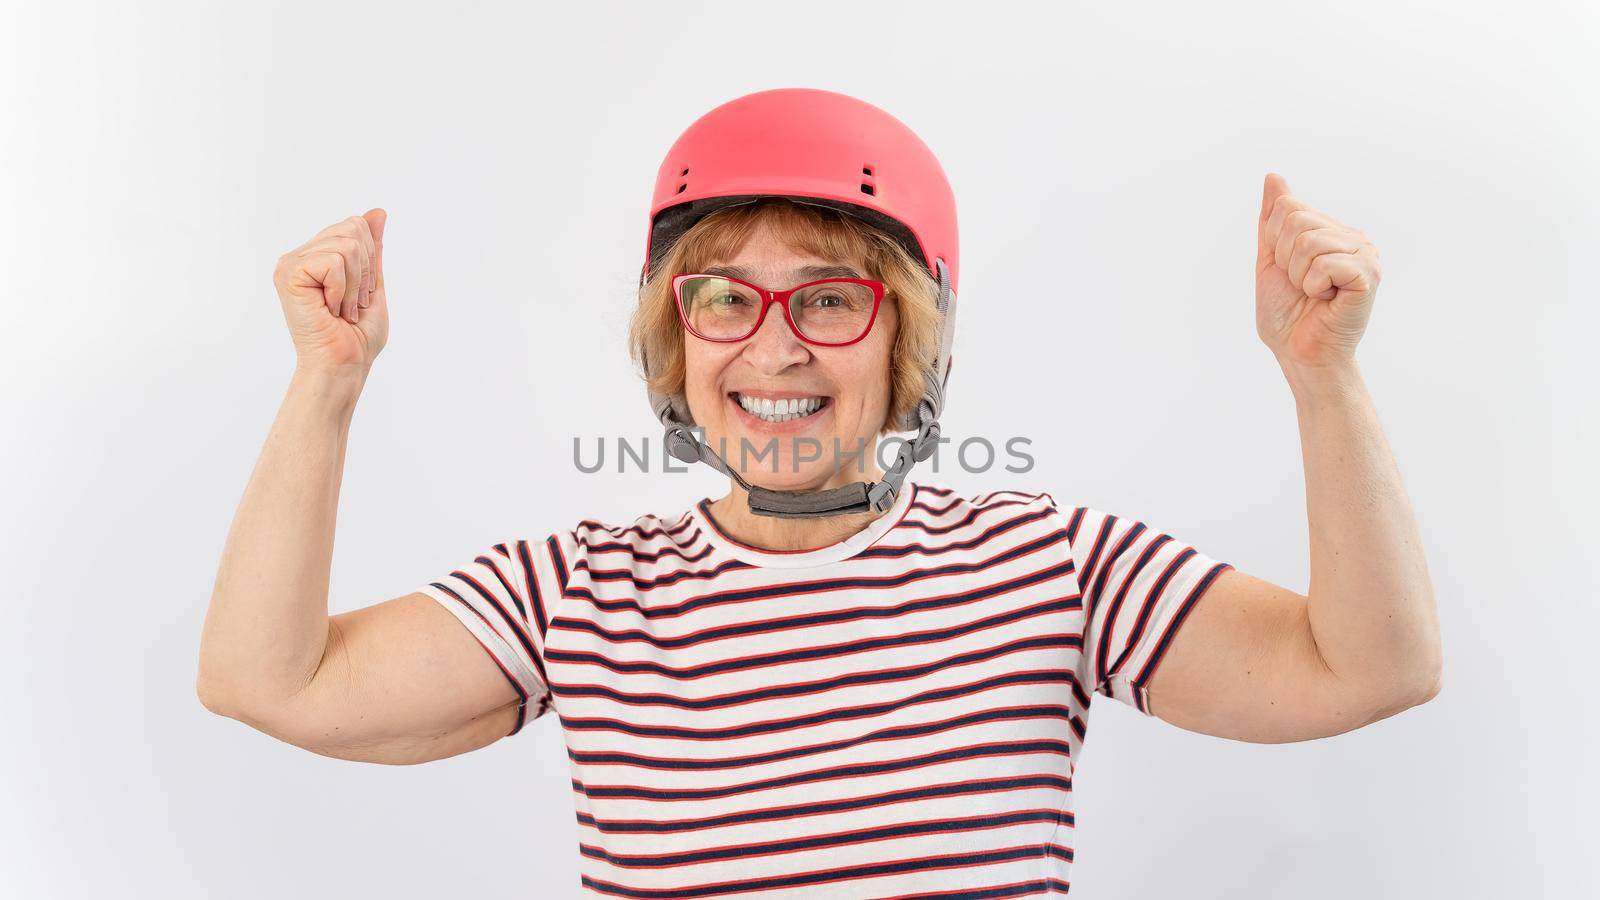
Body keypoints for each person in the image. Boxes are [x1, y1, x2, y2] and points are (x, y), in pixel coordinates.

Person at [197, 88, 1442, 897]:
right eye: (724, 297)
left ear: (909, 341)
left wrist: (1323, 380)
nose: (775, 347)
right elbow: (268, 679)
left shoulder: (1053, 566)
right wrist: (327, 385)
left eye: (831, 298)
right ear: (673, 339)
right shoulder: (572, 592)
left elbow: (1367, 669)